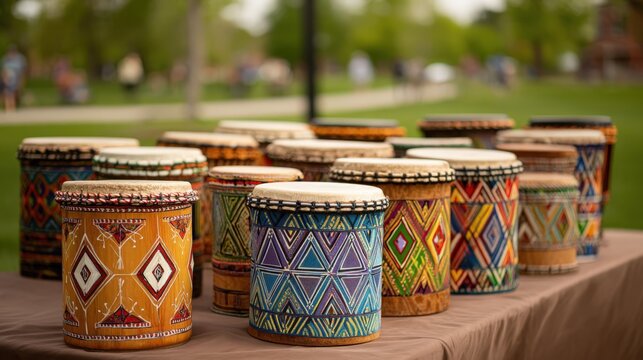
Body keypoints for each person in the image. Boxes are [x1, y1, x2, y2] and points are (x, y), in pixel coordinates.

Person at [2, 45, 27, 111]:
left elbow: (23, 72)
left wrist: (22, 81)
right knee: (7, 94)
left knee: (14, 94)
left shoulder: (20, 59)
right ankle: (8, 108)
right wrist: (4, 79)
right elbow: (3, 71)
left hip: (16, 80)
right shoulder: (6, 59)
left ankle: (13, 107)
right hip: (8, 81)